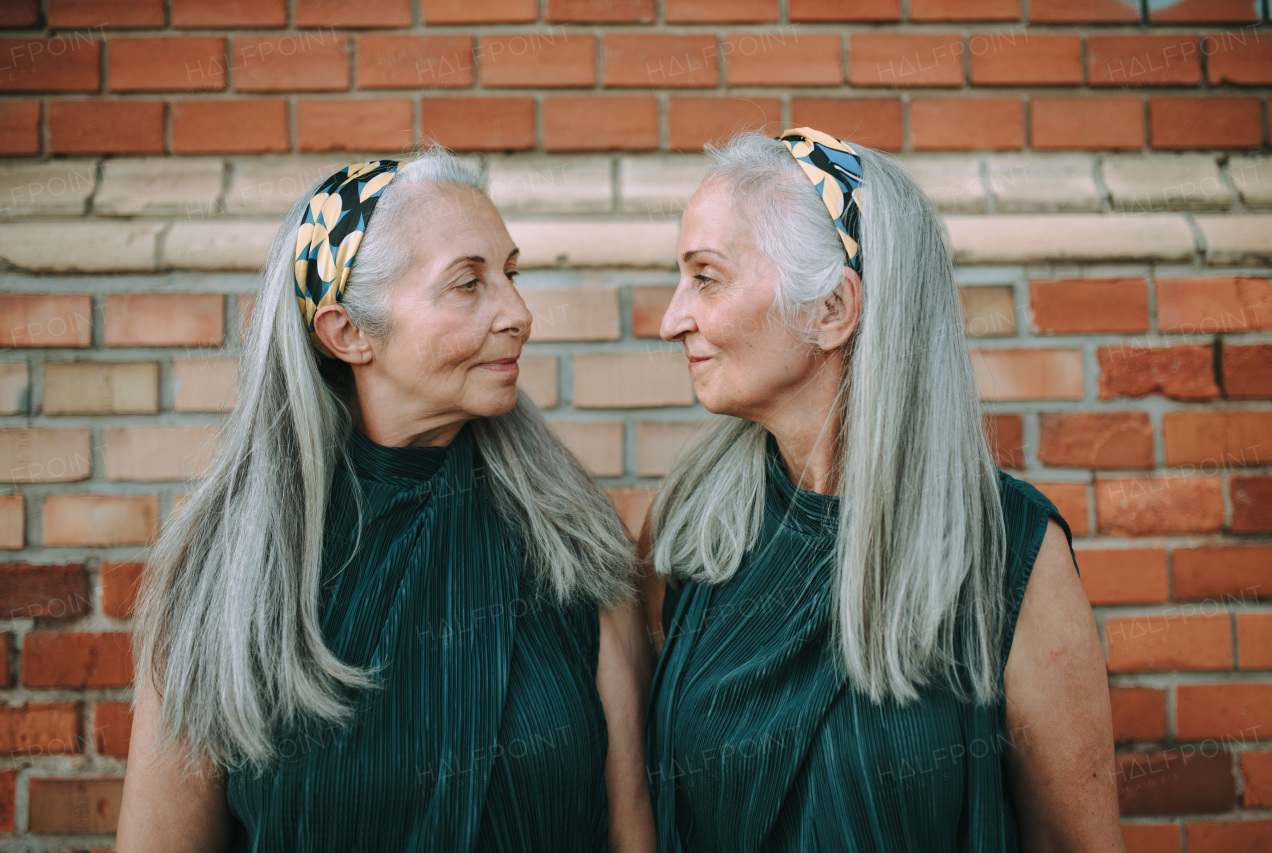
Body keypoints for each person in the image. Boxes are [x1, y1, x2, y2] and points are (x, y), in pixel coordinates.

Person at [116, 148, 656, 851]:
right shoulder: (228, 570)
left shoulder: (571, 538)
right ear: (349, 333)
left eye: (510, 273)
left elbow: (633, 823)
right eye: (468, 283)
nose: (519, 312)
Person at [638, 127, 1126, 851]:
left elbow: (1074, 841)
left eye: (706, 277)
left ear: (832, 309)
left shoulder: (1007, 551)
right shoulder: (692, 531)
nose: (673, 319)